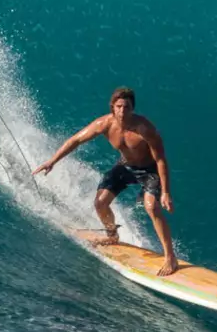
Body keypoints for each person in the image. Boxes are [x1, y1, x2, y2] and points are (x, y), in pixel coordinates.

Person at [33, 86, 179, 275]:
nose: (122, 111)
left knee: (151, 207)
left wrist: (166, 192)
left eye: (126, 107)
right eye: (118, 106)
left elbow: (160, 160)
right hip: (126, 166)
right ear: (112, 107)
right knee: (100, 203)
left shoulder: (145, 129)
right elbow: (76, 140)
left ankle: (170, 258)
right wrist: (52, 161)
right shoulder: (104, 124)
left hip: (149, 170)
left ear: (132, 108)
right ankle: (112, 235)